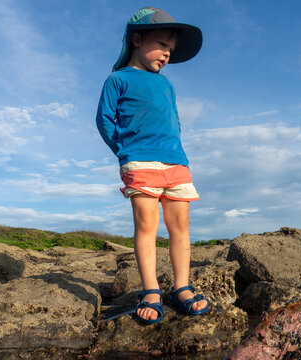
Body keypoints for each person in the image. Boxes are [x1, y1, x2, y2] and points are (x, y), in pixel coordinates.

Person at [96, 7, 208, 324]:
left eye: (170, 50)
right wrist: (124, 151)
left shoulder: (167, 85)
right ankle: (151, 291)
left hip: (177, 163)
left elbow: (174, 121)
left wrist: (176, 149)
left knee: (180, 228)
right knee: (147, 226)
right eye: (162, 45)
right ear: (136, 40)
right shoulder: (118, 79)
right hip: (139, 161)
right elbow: (104, 120)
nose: (167, 54)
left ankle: (182, 287)